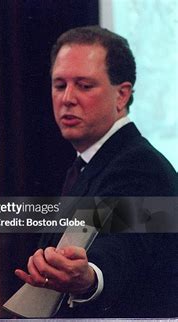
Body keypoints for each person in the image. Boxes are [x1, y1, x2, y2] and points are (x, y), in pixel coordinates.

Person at [14, 26, 178, 318]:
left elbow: (123, 250)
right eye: (59, 84)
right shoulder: (89, 164)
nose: (67, 98)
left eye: (84, 85)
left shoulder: (139, 167)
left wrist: (90, 278)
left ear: (122, 95)